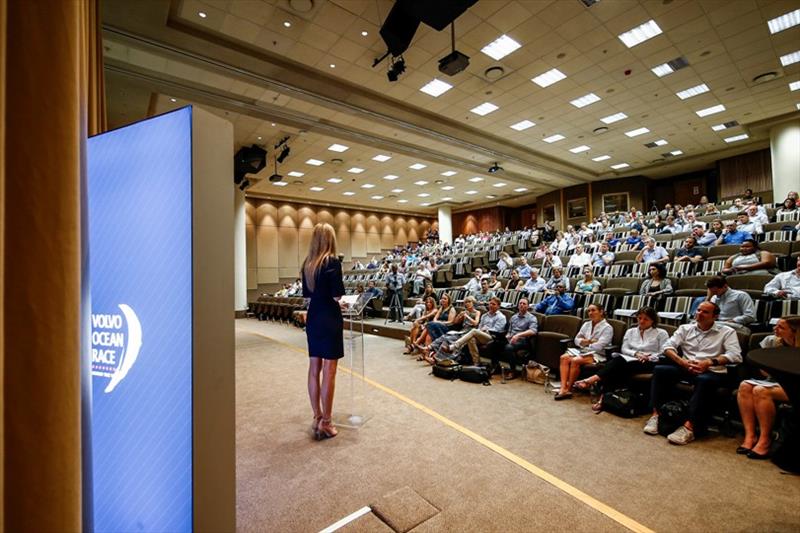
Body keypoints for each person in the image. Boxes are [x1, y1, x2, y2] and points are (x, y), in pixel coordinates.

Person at [643, 301, 742, 445]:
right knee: (660, 370)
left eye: (705, 312)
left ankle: (690, 427)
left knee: (705, 381)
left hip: (711, 369)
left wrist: (708, 362)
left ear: (715, 316)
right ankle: (656, 415)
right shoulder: (685, 328)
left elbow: (735, 355)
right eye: (698, 310)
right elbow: (667, 346)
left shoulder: (727, 332)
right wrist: (681, 361)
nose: (699, 313)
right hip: (685, 366)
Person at [574, 307, 669, 412]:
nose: (641, 321)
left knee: (616, 364)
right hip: (631, 360)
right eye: (639, 318)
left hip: (649, 362)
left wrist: (648, 356)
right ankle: (604, 398)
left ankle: (593, 384)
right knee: (617, 365)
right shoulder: (631, 331)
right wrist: (636, 353)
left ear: (653, 320)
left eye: (646, 319)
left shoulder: (661, 333)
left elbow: (663, 352)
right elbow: (624, 348)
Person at [302, 223, 347, 440]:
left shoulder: (307, 264)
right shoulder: (333, 262)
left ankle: (317, 416)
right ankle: (327, 422)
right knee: (329, 370)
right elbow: (337, 296)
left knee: (314, 369)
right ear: (330, 239)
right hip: (329, 318)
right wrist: (342, 303)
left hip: (314, 318)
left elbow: (308, 297)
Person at [736, 319, 798, 458]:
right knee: (745, 386)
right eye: (775, 325)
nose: (775, 329)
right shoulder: (771, 341)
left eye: (780, 327)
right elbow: (764, 370)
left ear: (794, 331)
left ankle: (765, 439)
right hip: (774, 380)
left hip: (794, 385)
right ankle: (750, 435)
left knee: (760, 390)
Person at [554, 304, 614, 400]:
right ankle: (563, 387)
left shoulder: (607, 328)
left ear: (601, 312)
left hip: (598, 354)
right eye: (589, 311)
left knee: (575, 360)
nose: (590, 313)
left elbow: (600, 346)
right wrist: (589, 341)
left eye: (593, 310)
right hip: (583, 351)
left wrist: (584, 342)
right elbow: (576, 340)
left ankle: (569, 389)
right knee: (564, 358)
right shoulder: (586, 324)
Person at [441, 297, 507, 365]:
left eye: (493, 304)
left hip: (493, 337)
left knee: (474, 331)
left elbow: (497, 330)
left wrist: (486, 329)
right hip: (482, 335)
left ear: (498, 306)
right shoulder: (484, 315)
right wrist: (481, 330)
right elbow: (480, 327)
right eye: (490, 303)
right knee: (471, 339)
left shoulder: (501, 317)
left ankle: (453, 347)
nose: (491, 305)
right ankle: (476, 362)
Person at [423, 296, 481, 364]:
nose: (467, 304)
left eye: (469, 302)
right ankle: (432, 352)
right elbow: (455, 322)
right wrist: (459, 317)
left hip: (469, 333)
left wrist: (467, 316)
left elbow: (475, 323)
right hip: (461, 331)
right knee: (445, 338)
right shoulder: (464, 312)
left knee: (450, 340)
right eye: (465, 302)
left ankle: (435, 357)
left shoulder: (477, 312)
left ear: (473, 303)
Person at [497, 298, 538, 379]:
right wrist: (507, 336)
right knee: (495, 342)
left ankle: (513, 371)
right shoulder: (514, 317)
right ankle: (496, 367)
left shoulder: (532, 318)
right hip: (512, 339)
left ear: (528, 306)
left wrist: (518, 335)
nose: (522, 305)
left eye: (524, 303)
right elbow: (509, 331)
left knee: (509, 347)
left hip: (523, 341)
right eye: (520, 303)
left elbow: (533, 331)